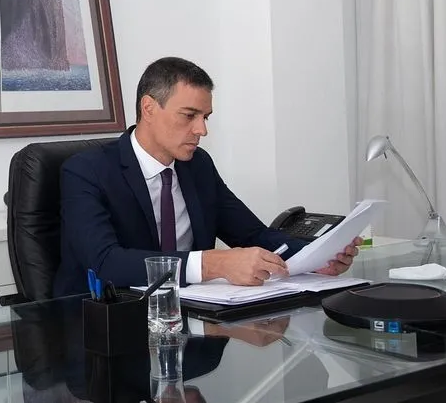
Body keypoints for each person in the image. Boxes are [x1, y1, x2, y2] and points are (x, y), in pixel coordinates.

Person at [53, 56, 361, 296]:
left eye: (205, 117)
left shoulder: (196, 165)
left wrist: (315, 256)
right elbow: (106, 263)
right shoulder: (86, 171)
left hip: (188, 322)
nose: (202, 130)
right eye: (189, 116)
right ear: (148, 108)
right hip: (102, 330)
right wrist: (214, 263)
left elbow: (252, 235)